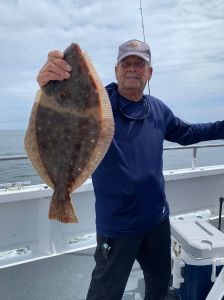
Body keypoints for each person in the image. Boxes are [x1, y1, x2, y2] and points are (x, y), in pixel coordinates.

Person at [37, 39, 224, 300]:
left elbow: (188, 132)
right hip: (117, 226)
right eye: (126, 63)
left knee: (159, 286)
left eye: (140, 64)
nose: (133, 69)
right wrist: (52, 85)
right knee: (105, 293)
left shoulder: (157, 109)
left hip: (157, 221)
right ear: (116, 71)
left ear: (149, 72)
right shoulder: (98, 105)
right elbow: (64, 110)